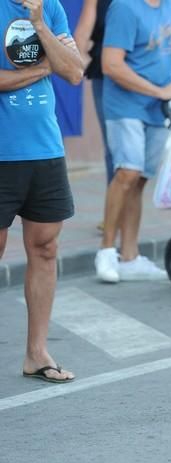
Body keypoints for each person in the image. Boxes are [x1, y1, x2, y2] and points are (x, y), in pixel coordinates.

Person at [94, 0, 171, 284]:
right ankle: (107, 251)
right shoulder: (125, 7)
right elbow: (110, 64)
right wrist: (159, 91)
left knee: (140, 180)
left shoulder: (167, 5)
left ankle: (130, 257)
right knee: (127, 173)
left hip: (156, 109)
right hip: (126, 107)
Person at [0, 0, 84, 382]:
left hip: (46, 149)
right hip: (3, 152)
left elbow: (74, 72)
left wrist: (38, 23)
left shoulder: (50, 9)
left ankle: (36, 354)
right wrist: (49, 63)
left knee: (46, 249)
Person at [74, 0, 113, 186]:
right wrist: (81, 62)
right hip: (108, 78)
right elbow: (81, 36)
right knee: (116, 152)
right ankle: (115, 214)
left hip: (145, 76)